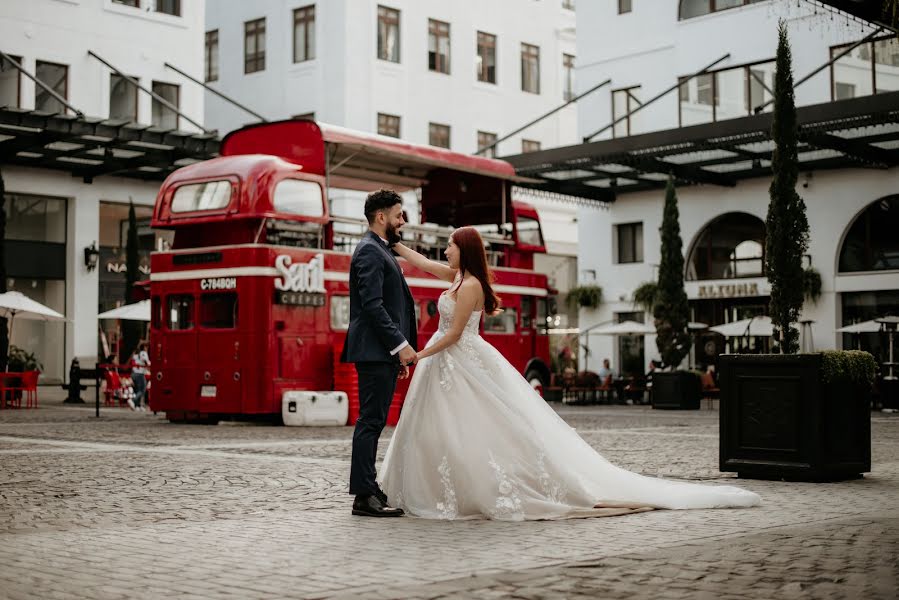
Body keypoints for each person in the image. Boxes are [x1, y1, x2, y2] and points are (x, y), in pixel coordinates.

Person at [380, 227, 760, 520]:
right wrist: (395, 245)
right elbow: (425, 264)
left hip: (460, 359)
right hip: (449, 364)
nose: (445, 249)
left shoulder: (470, 285)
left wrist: (418, 355)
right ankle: (441, 488)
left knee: (481, 426)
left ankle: (474, 487)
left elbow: (454, 333)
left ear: (464, 249)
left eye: (450, 244)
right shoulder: (457, 277)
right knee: (448, 427)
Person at [340, 189, 418, 518]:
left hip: (379, 352)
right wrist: (399, 345)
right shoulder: (370, 252)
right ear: (381, 216)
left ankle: (369, 488)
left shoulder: (380, 250)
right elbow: (373, 306)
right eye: (399, 215)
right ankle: (363, 495)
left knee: (373, 421)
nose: (403, 221)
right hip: (374, 350)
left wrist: (394, 352)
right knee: (370, 422)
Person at [130, 342, 150, 411]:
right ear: (144, 347)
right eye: (146, 347)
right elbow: (146, 362)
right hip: (140, 373)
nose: (147, 348)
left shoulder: (135, 354)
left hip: (134, 373)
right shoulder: (143, 353)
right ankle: (132, 400)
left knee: (138, 390)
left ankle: (137, 405)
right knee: (142, 390)